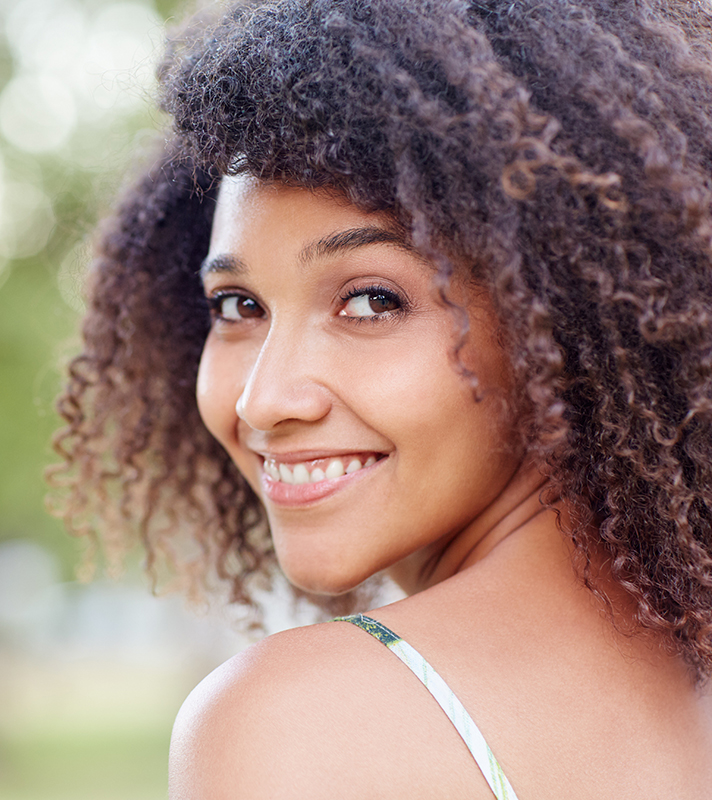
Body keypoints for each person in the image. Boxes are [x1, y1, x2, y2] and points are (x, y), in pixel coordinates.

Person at [51, 0, 712, 796]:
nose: (264, 401)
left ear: (564, 316)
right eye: (237, 306)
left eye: (370, 302)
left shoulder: (302, 722)